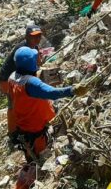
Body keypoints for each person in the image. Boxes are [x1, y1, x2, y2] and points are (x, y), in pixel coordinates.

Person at [8, 47, 88, 188]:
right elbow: (51, 93)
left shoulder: (13, 77)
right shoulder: (31, 83)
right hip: (36, 130)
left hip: (23, 126)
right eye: (36, 59)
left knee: (30, 154)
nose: (39, 60)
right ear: (31, 63)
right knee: (41, 161)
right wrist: (72, 90)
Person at [0, 25, 44, 137]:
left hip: (17, 78)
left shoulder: (34, 47)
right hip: (6, 80)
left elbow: (38, 63)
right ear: (27, 37)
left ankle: (23, 126)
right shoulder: (21, 49)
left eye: (39, 36)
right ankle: (12, 132)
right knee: (13, 105)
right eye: (34, 37)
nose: (37, 39)